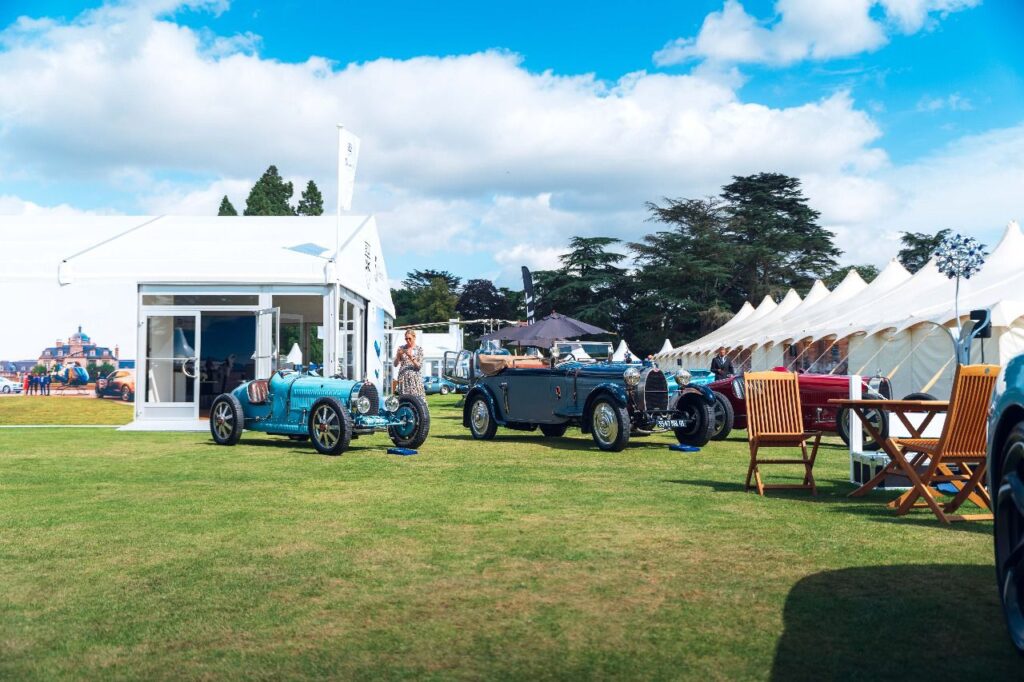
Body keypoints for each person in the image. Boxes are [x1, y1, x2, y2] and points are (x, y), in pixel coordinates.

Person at [393, 330, 425, 397]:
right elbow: (395, 364)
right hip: (403, 378)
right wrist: (398, 355)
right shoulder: (401, 348)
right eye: (406, 339)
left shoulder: (419, 349)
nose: (407, 340)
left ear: (414, 337)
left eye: (409, 338)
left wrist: (411, 357)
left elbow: (419, 366)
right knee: (404, 398)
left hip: (415, 379)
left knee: (416, 399)